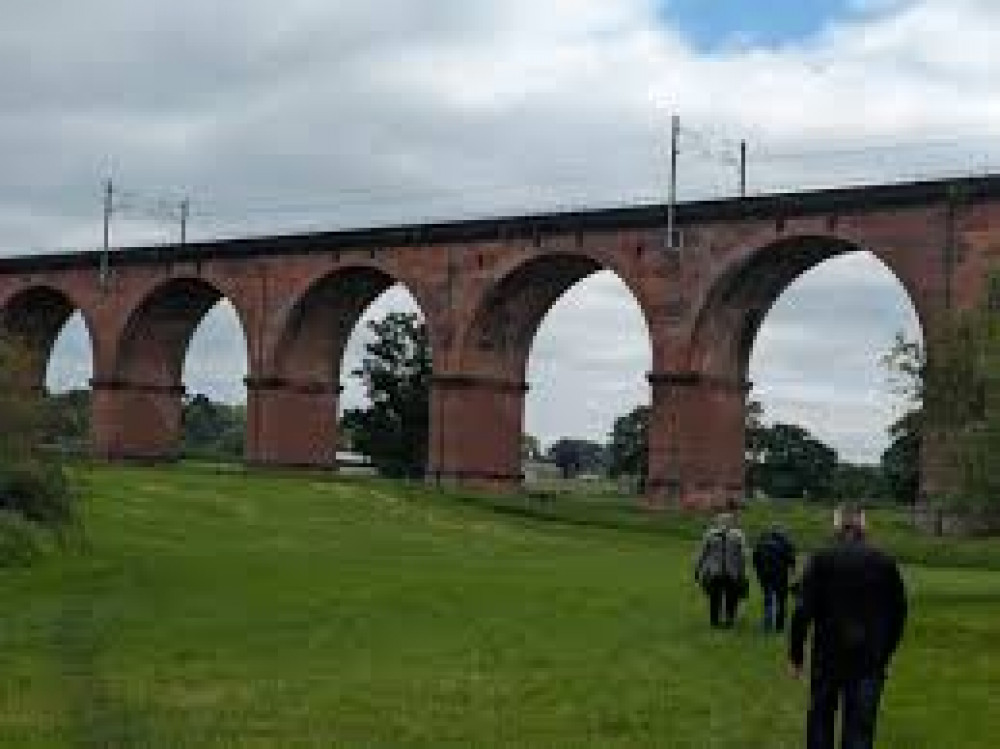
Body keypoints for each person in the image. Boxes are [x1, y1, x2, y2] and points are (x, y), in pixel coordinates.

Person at [788, 504, 908, 749]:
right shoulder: (884, 561)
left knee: (820, 720)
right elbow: (899, 612)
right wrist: (887, 652)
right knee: (860, 728)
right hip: (869, 656)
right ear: (864, 526)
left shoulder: (821, 558)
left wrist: (796, 655)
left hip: (828, 654)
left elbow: (802, 610)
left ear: (837, 525)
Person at [694, 512, 748, 628]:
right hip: (720, 571)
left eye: (726, 521)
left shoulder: (735, 535)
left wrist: (698, 569)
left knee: (727, 597)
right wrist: (698, 569)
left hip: (726, 571)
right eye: (723, 521)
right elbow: (703, 553)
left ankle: (722, 620)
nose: (724, 523)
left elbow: (742, 554)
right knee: (720, 597)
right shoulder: (713, 534)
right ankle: (722, 620)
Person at [752, 523, 796, 632]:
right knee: (781, 600)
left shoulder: (762, 541)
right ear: (782, 531)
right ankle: (779, 625)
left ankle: (767, 624)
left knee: (768, 599)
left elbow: (756, 558)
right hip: (781, 575)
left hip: (766, 575)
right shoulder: (786, 543)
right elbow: (791, 560)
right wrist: (792, 572)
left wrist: (759, 572)